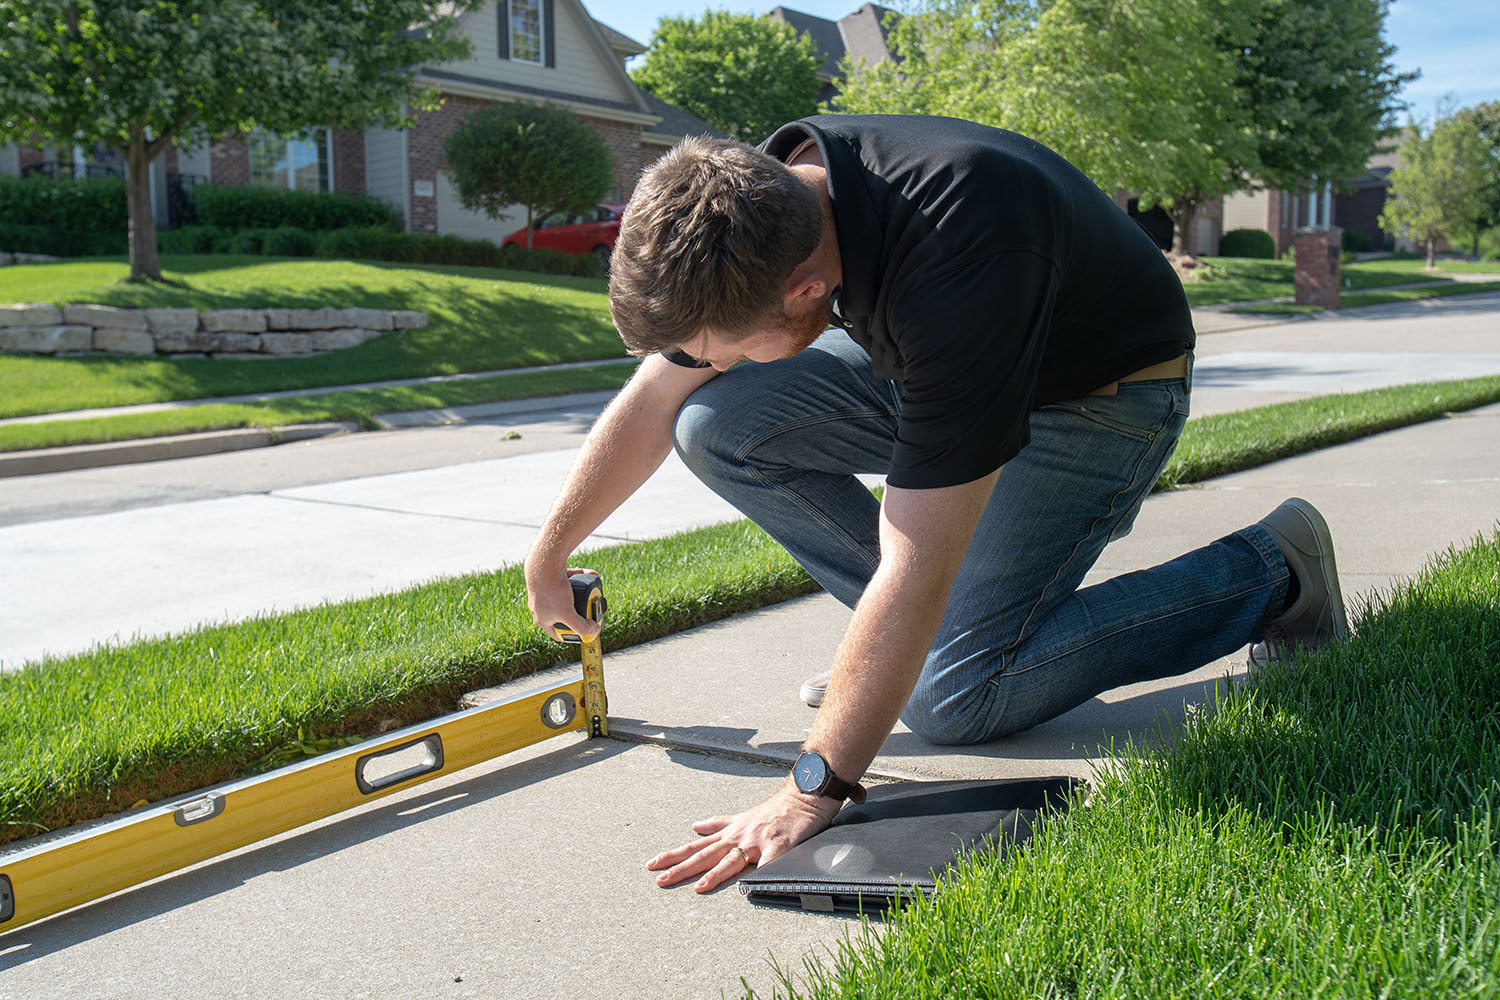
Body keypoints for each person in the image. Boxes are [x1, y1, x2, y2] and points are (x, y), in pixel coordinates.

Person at [523, 114, 1348, 894]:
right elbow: (655, 402)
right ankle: (912, 653)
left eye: (722, 349)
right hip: (957, 354)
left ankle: (1271, 568)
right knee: (714, 423)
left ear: (805, 290)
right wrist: (550, 552)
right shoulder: (770, 206)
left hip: (1098, 396)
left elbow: (919, 561)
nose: (715, 361)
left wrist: (815, 785)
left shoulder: (958, 264)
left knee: (958, 697)